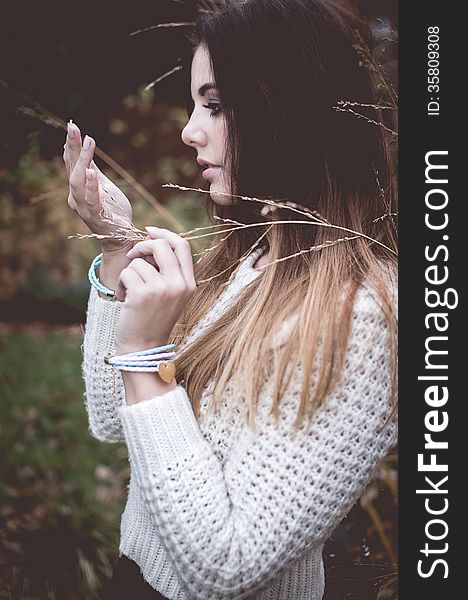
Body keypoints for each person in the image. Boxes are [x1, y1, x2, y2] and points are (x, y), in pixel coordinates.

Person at [64, 1, 398, 598]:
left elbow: (226, 566)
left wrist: (145, 354)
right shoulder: (252, 261)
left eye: (215, 106)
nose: (190, 130)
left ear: (287, 110)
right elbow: (115, 419)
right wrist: (118, 246)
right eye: (196, 105)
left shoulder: (363, 317)